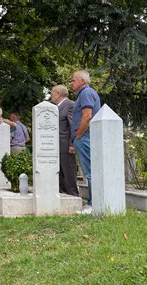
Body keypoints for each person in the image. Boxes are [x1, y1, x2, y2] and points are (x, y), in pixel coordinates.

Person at [70, 69, 101, 208]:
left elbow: (87, 116)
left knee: (90, 172)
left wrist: (78, 135)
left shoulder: (86, 93)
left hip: (85, 136)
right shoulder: (84, 94)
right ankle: (94, 202)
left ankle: (94, 204)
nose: (71, 83)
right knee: (90, 170)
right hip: (85, 136)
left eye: (73, 80)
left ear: (82, 81)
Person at [51, 85, 79, 197]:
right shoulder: (56, 107)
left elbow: (73, 126)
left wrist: (72, 144)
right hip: (56, 145)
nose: (51, 96)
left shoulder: (71, 105)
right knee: (60, 172)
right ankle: (63, 195)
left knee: (68, 172)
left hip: (66, 145)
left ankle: (73, 196)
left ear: (58, 94)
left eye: (52, 93)